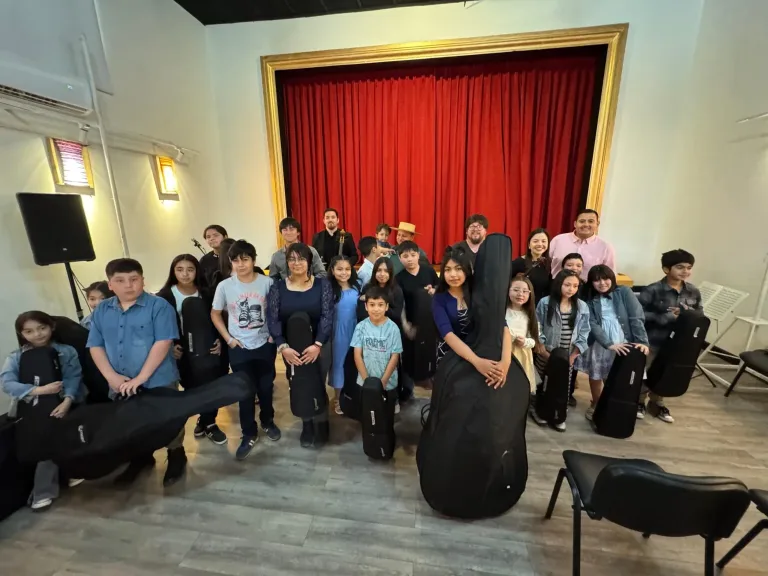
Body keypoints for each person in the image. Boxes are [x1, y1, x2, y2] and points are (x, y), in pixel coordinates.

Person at [87, 258, 186, 487]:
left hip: (158, 377)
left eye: (134, 279)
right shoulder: (102, 309)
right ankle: (141, 458)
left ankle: (176, 455)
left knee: (168, 419)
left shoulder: (159, 306)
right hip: (119, 381)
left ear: (143, 280)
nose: (128, 285)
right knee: (131, 422)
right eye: (120, 281)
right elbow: (95, 345)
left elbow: (163, 342)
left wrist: (142, 378)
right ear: (110, 284)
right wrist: (110, 377)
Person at [1, 311, 87, 510]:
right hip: (35, 408)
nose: (38, 334)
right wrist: (40, 390)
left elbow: (73, 377)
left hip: (66, 402)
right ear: (22, 334)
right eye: (29, 331)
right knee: (45, 447)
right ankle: (42, 492)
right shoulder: (17, 356)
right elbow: (7, 384)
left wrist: (67, 401)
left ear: (52, 327)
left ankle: (68, 474)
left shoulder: (66, 351)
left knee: (67, 439)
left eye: (42, 328)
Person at [211, 240, 280, 461]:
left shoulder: (268, 283)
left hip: (264, 345)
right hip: (239, 347)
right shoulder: (225, 286)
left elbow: (276, 312)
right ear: (230, 262)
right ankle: (248, 433)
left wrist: (273, 335)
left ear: (253, 260)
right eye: (236, 260)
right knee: (244, 392)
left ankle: (268, 422)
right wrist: (229, 339)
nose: (241, 264)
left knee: (266, 388)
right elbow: (215, 314)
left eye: (245, 259)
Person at [267, 243, 334, 449]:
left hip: (319, 344)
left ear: (309, 261)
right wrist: (282, 346)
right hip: (291, 347)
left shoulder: (322, 285)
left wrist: (318, 344)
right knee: (298, 382)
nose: (297, 263)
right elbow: (273, 318)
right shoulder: (278, 287)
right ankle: (306, 423)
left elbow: (327, 314)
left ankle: (321, 421)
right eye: (292, 259)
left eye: (301, 259)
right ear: (286, 262)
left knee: (318, 381)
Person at [157, 254, 226, 445]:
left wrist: (220, 339)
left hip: (207, 348)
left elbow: (218, 318)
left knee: (211, 387)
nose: (185, 274)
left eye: (190, 269)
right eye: (180, 269)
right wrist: (169, 346)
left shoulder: (206, 292)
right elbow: (158, 325)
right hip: (181, 351)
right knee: (192, 388)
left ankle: (210, 423)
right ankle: (204, 418)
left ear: (197, 271)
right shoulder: (165, 296)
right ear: (173, 271)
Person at [636, 249, 702, 424]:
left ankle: (657, 403)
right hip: (654, 339)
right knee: (646, 370)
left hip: (678, 343)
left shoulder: (693, 292)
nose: (685, 271)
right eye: (680, 267)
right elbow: (638, 314)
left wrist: (687, 313)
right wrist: (665, 317)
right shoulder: (653, 290)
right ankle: (639, 401)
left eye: (688, 267)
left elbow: (700, 314)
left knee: (666, 372)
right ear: (666, 269)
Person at [576, 265, 649, 422]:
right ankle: (596, 402)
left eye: (605, 278)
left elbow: (636, 317)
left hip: (624, 338)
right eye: (597, 280)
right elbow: (592, 323)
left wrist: (642, 341)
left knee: (619, 374)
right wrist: (608, 343)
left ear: (612, 278)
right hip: (600, 341)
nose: (602, 283)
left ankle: (614, 403)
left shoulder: (624, 292)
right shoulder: (588, 297)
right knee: (597, 373)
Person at [432, 247, 507, 387]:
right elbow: (448, 335)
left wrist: (505, 363)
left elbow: (503, 325)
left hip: (481, 351)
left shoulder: (479, 292)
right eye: (447, 270)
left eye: (458, 268)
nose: (453, 274)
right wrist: (477, 362)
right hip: (450, 355)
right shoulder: (439, 298)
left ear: (467, 270)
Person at [532, 270, 590, 432]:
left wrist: (574, 355)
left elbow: (584, 332)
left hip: (567, 356)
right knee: (542, 381)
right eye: (567, 285)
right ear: (559, 284)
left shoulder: (581, 306)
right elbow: (537, 328)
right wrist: (542, 349)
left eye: (575, 286)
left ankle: (559, 413)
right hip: (547, 352)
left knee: (563, 385)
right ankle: (540, 411)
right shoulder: (545, 302)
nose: (571, 289)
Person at [396, 240, 439, 390]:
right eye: (405, 256)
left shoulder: (429, 271)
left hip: (430, 321)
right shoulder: (399, 278)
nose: (409, 259)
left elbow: (440, 289)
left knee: (430, 353)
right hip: (411, 323)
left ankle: (429, 378)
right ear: (399, 258)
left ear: (418, 255)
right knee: (410, 356)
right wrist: (405, 324)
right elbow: (400, 304)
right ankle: (409, 387)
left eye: (413, 255)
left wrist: (434, 291)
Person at [351, 286, 403, 406]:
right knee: (368, 415)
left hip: (388, 383)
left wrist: (383, 381)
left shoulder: (393, 328)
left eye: (380, 305)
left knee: (386, 415)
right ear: (366, 306)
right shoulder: (360, 327)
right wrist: (366, 381)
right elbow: (357, 355)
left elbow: (395, 357)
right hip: (364, 381)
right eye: (372, 304)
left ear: (387, 306)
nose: (376, 309)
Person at [328, 255, 360, 415]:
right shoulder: (329, 290)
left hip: (356, 330)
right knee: (339, 364)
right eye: (339, 269)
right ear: (332, 270)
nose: (344, 273)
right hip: (338, 332)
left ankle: (353, 395)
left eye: (347, 269)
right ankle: (338, 398)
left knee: (356, 363)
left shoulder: (358, 286)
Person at [549, 209, 616, 281]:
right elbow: (546, 265)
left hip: (589, 290)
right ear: (575, 224)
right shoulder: (558, 240)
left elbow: (610, 276)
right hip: (556, 287)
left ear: (597, 224)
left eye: (591, 221)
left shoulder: (606, 247)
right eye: (582, 221)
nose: (586, 224)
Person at [505, 275, 539, 394]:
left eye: (525, 291)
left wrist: (525, 342)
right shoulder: (503, 311)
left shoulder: (529, 315)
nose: (520, 294)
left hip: (521, 354)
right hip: (504, 352)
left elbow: (534, 339)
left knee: (518, 386)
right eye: (516, 290)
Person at [359, 257, 404, 326]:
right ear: (374, 272)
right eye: (379, 270)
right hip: (369, 328)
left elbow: (396, 315)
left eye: (386, 271)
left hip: (389, 329)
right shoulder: (367, 288)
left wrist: (379, 303)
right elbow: (361, 313)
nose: (382, 274)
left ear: (391, 273)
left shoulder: (396, 290)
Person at [511, 228, 552, 304]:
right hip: (521, 305)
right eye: (535, 241)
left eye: (543, 241)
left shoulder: (549, 264)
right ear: (529, 245)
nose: (540, 244)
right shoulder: (518, 262)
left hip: (539, 308)